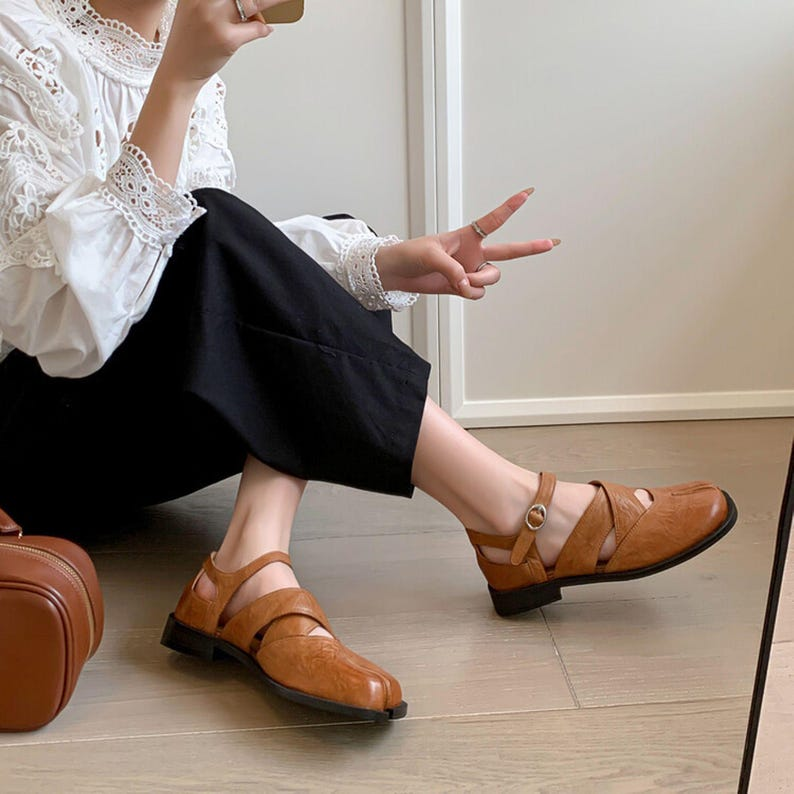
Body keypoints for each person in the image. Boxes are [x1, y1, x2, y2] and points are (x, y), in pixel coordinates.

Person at [0, 0, 737, 723]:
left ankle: (249, 566)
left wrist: (384, 262)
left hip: (131, 424)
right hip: (32, 439)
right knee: (231, 240)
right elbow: (70, 328)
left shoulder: (187, 45)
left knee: (345, 268)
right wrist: (178, 83)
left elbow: (202, 275)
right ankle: (515, 512)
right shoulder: (17, 36)